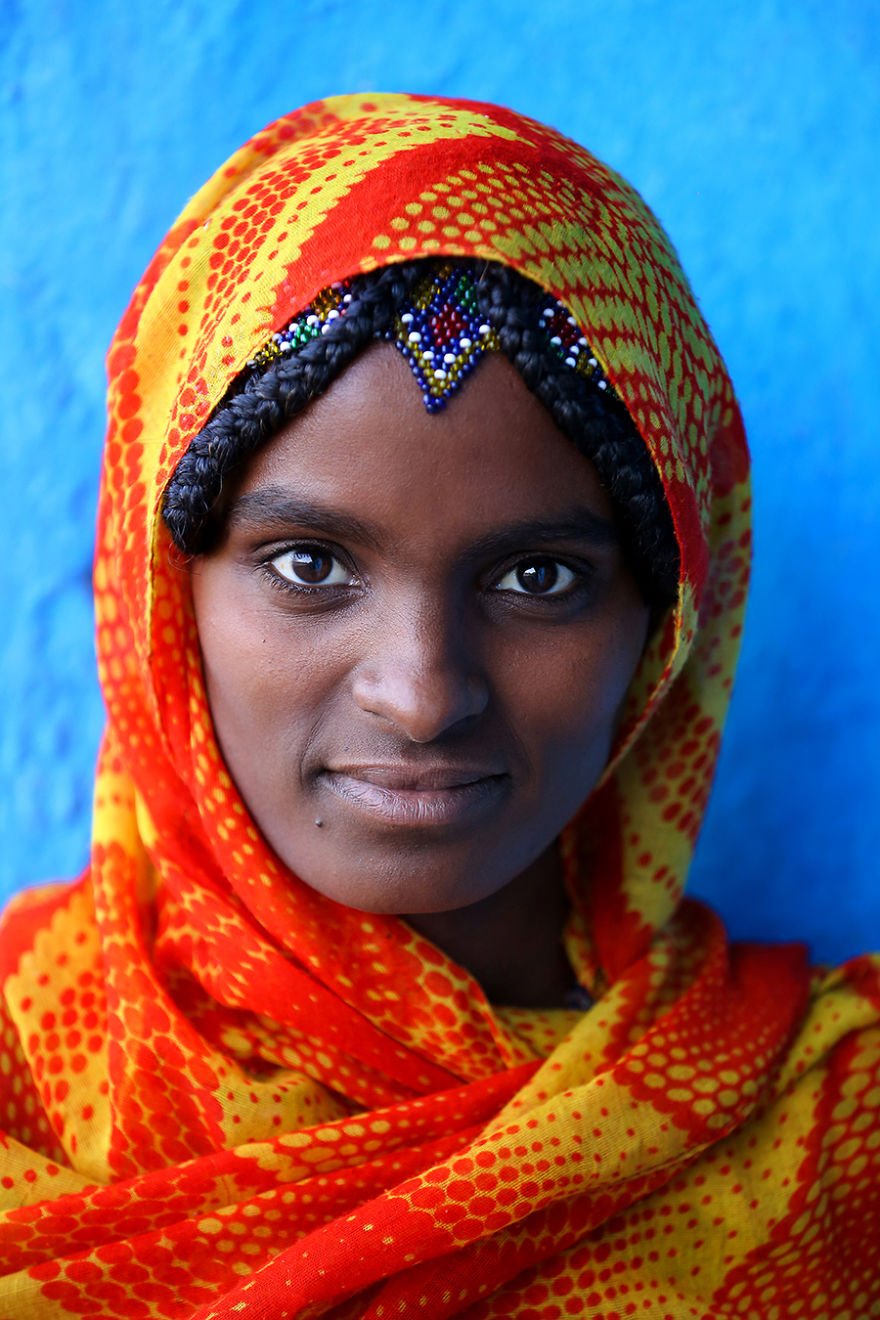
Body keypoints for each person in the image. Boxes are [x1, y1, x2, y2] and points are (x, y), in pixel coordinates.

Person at [0, 93, 877, 1319]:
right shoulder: (20, 1069)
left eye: (538, 578)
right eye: (310, 564)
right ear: (161, 596)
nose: (419, 695)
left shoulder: (830, 1144)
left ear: (667, 624)